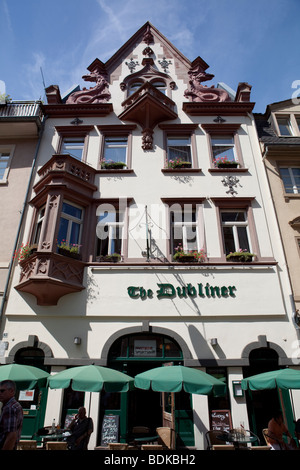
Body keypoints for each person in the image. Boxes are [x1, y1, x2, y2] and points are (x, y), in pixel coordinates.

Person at [0, 380, 23, 450]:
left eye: (2, 391)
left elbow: (11, 435)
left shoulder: (10, 408)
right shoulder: (15, 405)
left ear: (12, 391)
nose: (0, 393)